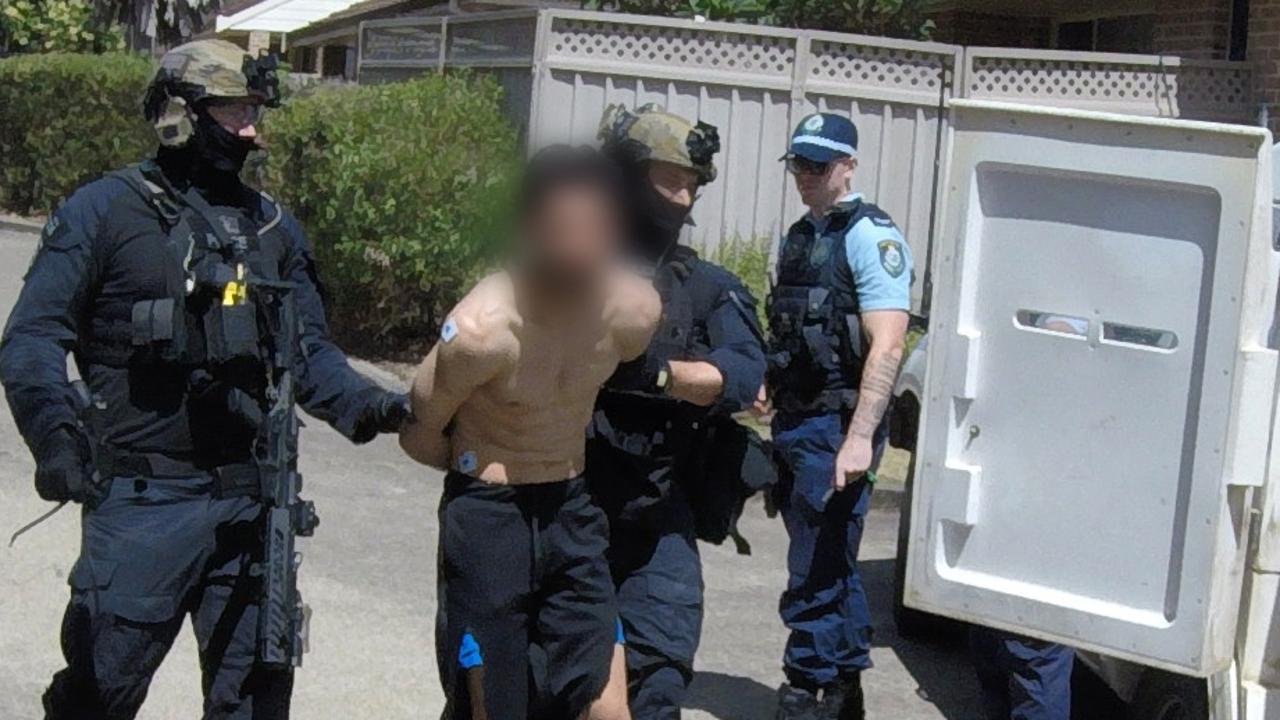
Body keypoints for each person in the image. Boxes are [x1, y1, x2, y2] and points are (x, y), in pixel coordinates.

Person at [0, 40, 411, 719]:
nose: (251, 128)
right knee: (100, 695)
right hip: (142, 502)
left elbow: (311, 357)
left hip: (253, 510)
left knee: (253, 703)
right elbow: (33, 340)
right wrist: (56, 438)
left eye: (254, 109)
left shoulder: (275, 227)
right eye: (231, 110)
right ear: (180, 114)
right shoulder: (104, 212)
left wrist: (382, 408)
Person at [399, 145, 661, 720]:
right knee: (495, 708)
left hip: (571, 507)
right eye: (564, 229)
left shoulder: (633, 311)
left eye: (596, 229)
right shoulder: (480, 333)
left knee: (608, 710)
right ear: (527, 228)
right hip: (489, 518)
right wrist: (478, 465)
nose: (579, 248)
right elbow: (419, 432)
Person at [587, 104, 767, 718]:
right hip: (563, 507)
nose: (682, 195)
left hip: (659, 513)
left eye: (691, 183)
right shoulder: (564, 271)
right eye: (668, 179)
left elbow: (743, 372)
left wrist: (660, 376)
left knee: (658, 679)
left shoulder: (705, 285)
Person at [758, 113, 913, 720]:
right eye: (798, 163)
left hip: (836, 427)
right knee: (829, 560)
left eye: (818, 166)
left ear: (848, 166)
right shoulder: (801, 235)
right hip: (797, 423)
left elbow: (889, 345)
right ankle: (846, 691)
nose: (806, 176)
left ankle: (808, 688)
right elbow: (793, 326)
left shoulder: (871, 237)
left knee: (816, 567)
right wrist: (771, 383)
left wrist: (859, 439)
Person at [968, 313, 1077, 720]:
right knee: (992, 638)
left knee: (1034, 648)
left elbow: (1062, 337)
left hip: (1046, 503)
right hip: (1010, 497)